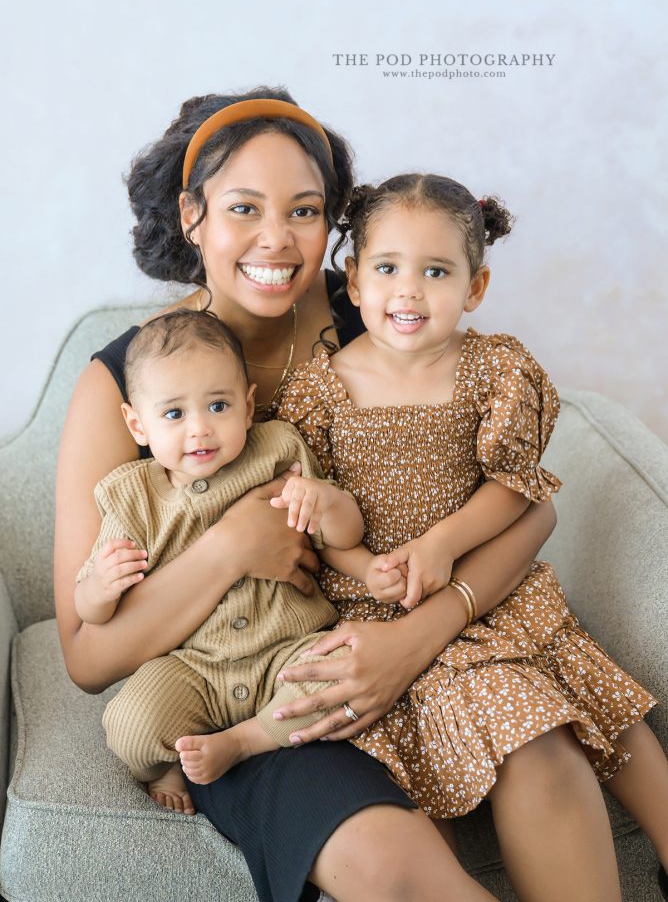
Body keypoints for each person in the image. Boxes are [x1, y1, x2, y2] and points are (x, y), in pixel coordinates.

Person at [54, 88, 623, 902]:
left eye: (306, 210)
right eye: (244, 208)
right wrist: (229, 550)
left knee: (543, 753)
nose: (278, 239)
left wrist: (413, 641)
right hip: (247, 689)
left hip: (406, 643)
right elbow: (85, 655)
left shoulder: (381, 320)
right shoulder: (131, 383)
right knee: (388, 865)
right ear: (192, 216)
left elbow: (532, 507)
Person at [275, 173, 668, 896]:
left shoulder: (494, 370)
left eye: (436, 272)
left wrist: (444, 543)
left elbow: (515, 488)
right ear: (354, 281)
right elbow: (323, 519)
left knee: (593, 700)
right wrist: (365, 568)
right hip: (378, 607)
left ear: (475, 286)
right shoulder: (319, 390)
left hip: (490, 589)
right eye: (387, 269)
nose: (410, 292)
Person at [74, 307, 363, 811]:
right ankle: (167, 765)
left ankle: (248, 739)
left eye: (218, 406)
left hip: (287, 651)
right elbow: (91, 612)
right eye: (174, 414)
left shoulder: (278, 450)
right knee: (129, 723)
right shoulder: (131, 496)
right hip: (193, 669)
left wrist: (327, 501)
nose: (200, 430)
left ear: (248, 407)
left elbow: (341, 541)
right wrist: (99, 587)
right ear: (136, 424)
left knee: (348, 669)